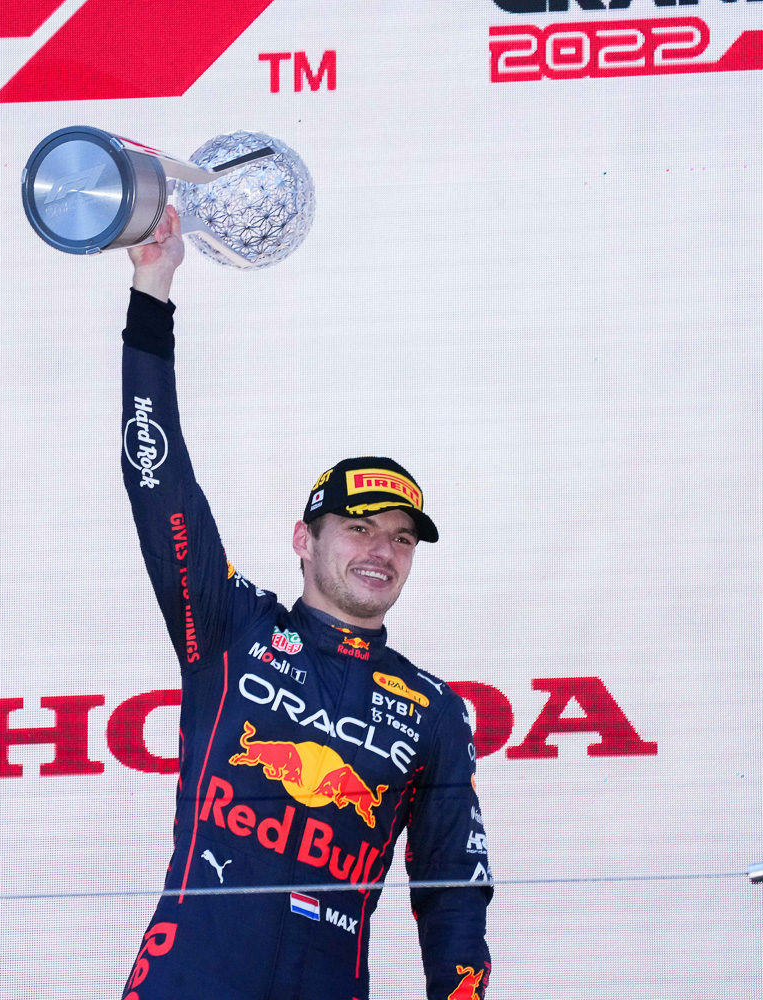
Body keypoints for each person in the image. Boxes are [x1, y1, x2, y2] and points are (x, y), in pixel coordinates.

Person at [118, 206, 492, 1000]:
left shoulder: (433, 711)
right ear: (304, 539)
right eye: (359, 528)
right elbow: (158, 482)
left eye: (401, 537)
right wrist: (153, 290)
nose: (381, 551)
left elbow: (454, 892)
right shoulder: (231, 629)